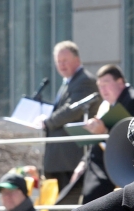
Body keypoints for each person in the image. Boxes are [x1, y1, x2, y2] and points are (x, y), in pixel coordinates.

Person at [56, 64, 134, 211]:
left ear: (120, 82)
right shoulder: (105, 105)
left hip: (121, 164)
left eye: (106, 84)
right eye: (100, 86)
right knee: (70, 198)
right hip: (99, 161)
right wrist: (83, 162)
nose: (103, 89)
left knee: (93, 201)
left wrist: (104, 131)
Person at [40, 41, 99, 191]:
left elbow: (72, 110)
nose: (61, 65)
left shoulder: (84, 80)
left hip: (71, 158)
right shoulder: (68, 82)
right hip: (61, 159)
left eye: (65, 60)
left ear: (77, 60)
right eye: (58, 61)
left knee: (69, 207)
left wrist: (47, 122)